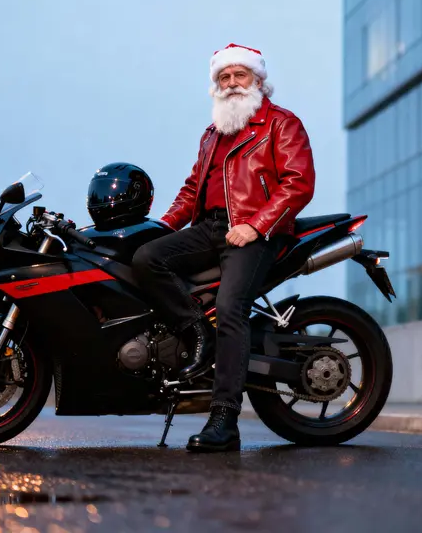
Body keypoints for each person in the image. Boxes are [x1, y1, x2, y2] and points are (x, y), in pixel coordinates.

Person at [132, 43, 316, 452]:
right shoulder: (213, 133)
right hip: (212, 227)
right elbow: (193, 187)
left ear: (258, 81)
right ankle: (198, 331)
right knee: (146, 258)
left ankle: (224, 420)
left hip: (258, 231)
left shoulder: (281, 124)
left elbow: (298, 182)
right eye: (224, 77)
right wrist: (161, 226)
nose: (231, 84)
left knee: (232, 309)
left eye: (240, 76)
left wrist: (255, 224)